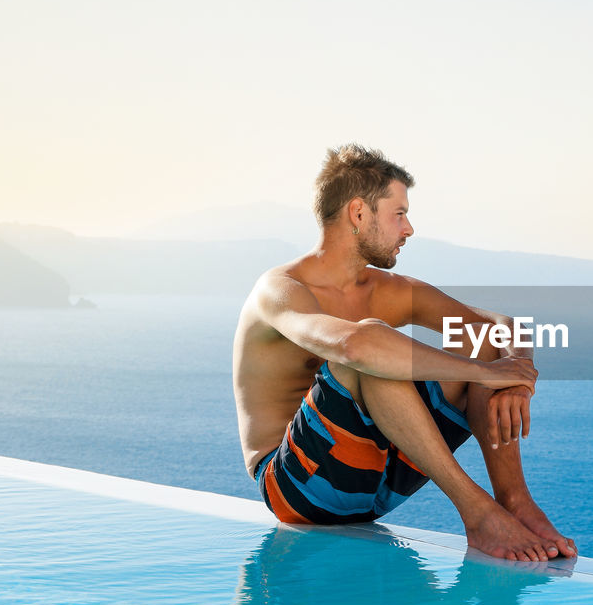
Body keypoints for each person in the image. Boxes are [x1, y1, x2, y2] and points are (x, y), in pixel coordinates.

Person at [231, 144, 575, 562]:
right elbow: (354, 346)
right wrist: (486, 374)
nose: (408, 228)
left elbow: (500, 328)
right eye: (398, 213)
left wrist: (515, 378)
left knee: (482, 344)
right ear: (358, 214)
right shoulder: (280, 290)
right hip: (297, 489)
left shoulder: (388, 290)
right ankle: (478, 514)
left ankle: (514, 500)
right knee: (370, 354)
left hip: (378, 486)